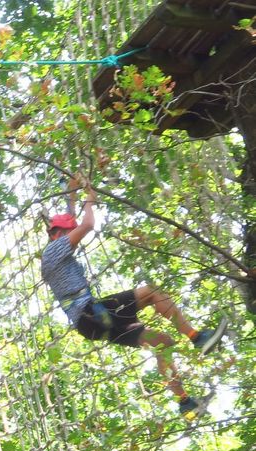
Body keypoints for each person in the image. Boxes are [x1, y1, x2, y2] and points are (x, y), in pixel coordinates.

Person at [39, 173, 228, 418]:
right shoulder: (53, 250)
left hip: (92, 324)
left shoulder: (57, 250)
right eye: (68, 234)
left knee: (163, 343)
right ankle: (196, 336)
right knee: (150, 293)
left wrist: (73, 194)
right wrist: (89, 199)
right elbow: (86, 225)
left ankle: (184, 403)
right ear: (58, 234)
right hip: (92, 313)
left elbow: (71, 221)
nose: (73, 239)